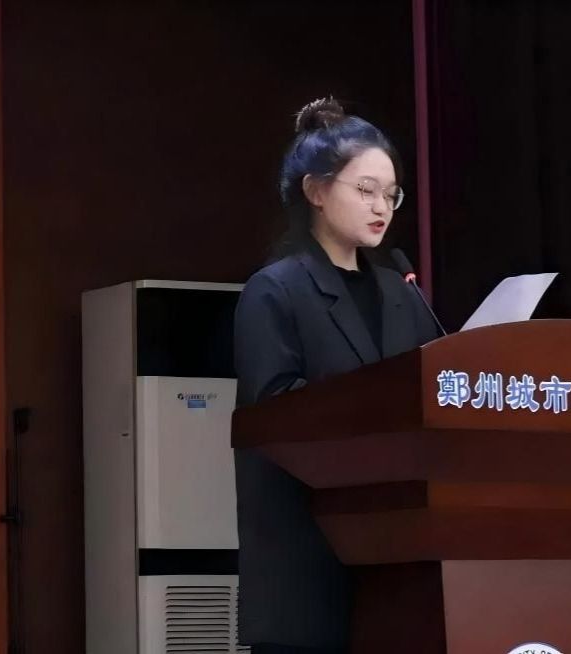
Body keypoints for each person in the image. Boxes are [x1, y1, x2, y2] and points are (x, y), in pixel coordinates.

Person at [232, 97, 442, 653]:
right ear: (316, 192)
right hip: (307, 566)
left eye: (391, 194)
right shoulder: (275, 291)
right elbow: (276, 419)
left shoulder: (401, 291)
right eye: (366, 190)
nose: (382, 207)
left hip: (394, 568)